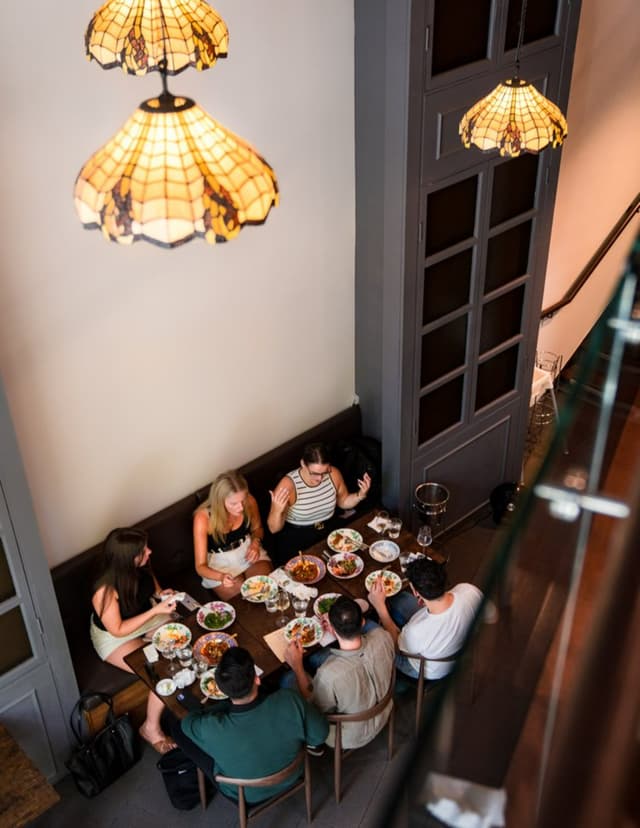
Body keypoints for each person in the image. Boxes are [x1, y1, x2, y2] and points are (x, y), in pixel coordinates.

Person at [174, 647, 329, 804]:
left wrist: (221, 708)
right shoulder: (289, 699)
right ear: (257, 679)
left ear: (221, 690)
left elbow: (187, 722)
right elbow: (320, 735)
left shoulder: (211, 727)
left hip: (244, 794)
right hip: (293, 774)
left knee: (177, 730)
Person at [90, 527, 178, 754]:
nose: (149, 551)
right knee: (159, 670)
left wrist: (162, 596)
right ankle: (150, 728)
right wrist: (154, 612)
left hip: (144, 618)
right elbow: (118, 629)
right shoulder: (105, 591)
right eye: (143, 550)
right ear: (128, 557)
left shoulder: (142, 567)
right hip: (115, 637)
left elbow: (155, 591)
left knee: (180, 642)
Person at [284, 596, 395, 749]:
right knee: (318, 658)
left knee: (288, 679)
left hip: (349, 736)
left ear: (333, 629)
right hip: (384, 712)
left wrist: (297, 666)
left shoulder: (329, 675)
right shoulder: (383, 636)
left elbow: (313, 705)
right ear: (363, 622)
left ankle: (314, 746)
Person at [368, 557, 496, 680]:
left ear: (416, 592)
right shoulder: (468, 590)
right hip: (458, 655)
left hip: (425, 670)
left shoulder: (416, 630)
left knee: (369, 627)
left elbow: (395, 644)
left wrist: (380, 607)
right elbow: (493, 617)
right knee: (400, 598)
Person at [267, 441, 372, 564]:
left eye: (324, 472)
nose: (320, 479)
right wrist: (276, 509)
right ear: (303, 464)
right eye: (315, 473)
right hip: (298, 535)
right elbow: (274, 529)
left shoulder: (333, 474)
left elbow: (343, 502)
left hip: (327, 528)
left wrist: (360, 495)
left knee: (351, 561)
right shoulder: (288, 486)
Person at [193, 470, 272, 600]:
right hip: (218, 562)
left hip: (247, 548)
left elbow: (257, 528)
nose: (240, 507)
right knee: (244, 602)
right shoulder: (203, 517)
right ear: (219, 501)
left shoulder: (249, 501)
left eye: (242, 500)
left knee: (265, 592)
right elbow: (200, 566)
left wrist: (255, 543)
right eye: (233, 503)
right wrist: (221, 577)